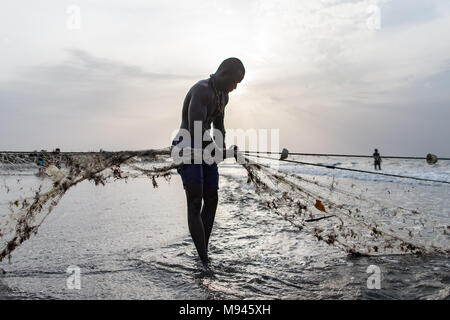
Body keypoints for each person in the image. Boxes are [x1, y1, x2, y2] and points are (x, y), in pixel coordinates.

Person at [172, 58, 245, 267]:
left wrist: (224, 149)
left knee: (211, 198)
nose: (235, 87)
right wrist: (216, 151)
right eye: (234, 81)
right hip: (186, 145)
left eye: (239, 83)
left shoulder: (224, 96)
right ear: (223, 74)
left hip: (205, 149)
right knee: (195, 201)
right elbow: (196, 128)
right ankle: (204, 260)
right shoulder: (201, 90)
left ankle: (202, 251)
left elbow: (219, 127)